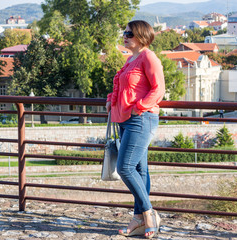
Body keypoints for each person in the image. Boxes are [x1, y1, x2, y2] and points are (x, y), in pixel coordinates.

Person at [106, 20, 165, 239]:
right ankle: (137, 218)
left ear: (141, 36)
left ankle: (148, 214)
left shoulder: (149, 57)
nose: (125, 36)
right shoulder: (131, 59)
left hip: (141, 119)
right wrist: (111, 98)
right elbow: (123, 86)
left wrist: (139, 107)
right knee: (140, 171)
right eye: (124, 32)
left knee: (125, 167)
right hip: (125, 120)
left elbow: (159, 89)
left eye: (129, 33)